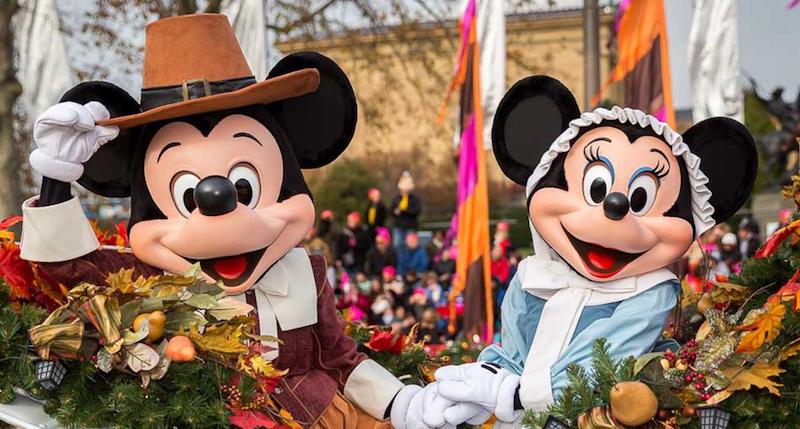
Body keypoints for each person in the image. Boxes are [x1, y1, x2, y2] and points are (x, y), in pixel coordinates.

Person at [390, 171, 422, 250]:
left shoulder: (414, 199)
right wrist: (395, 212)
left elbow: (416, 211)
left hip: (410, 227)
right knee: (397, 246)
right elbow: (391, 210)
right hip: (398, 227)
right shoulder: (396, 198)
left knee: (410, 247)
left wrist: (404, 211)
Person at [335, 212, 370, 276]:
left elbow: (367, 246)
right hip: (346, 262)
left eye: (352, 220)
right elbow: (338, 247)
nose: (350, 222)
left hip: (359, 263)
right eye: (349, 221)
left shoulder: (363, 232)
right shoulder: (344, 233)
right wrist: (338, 258)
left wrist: (356, 244)